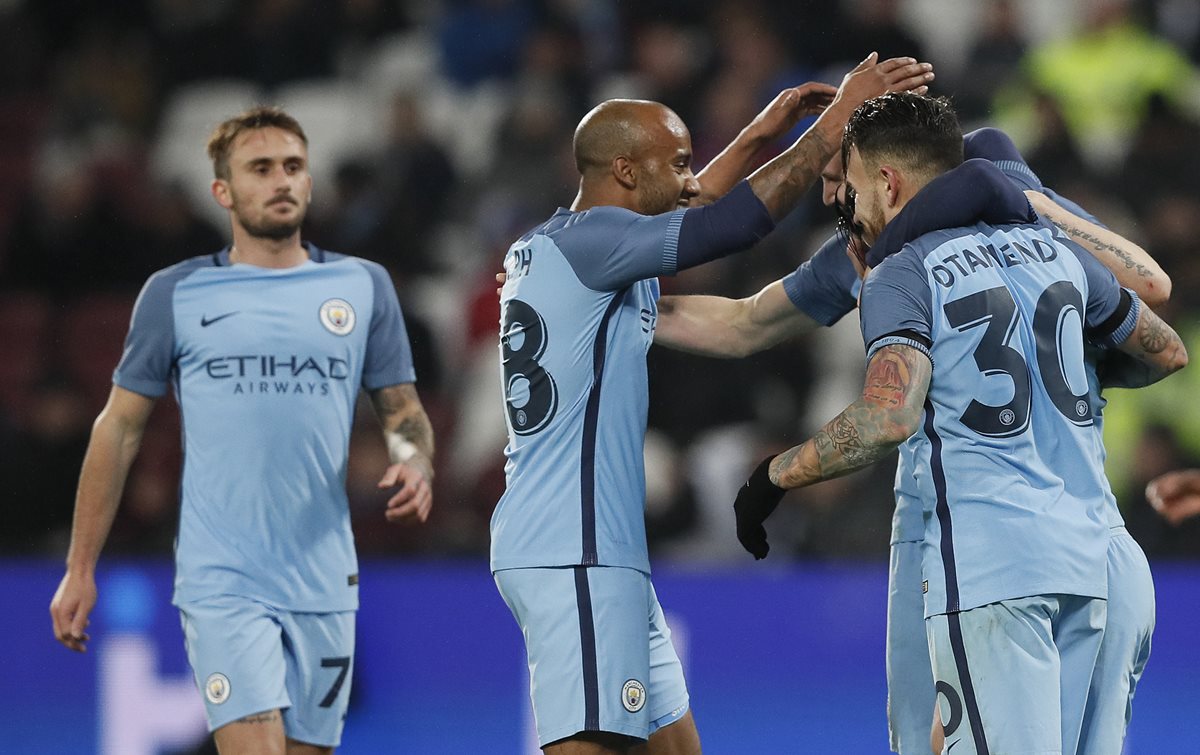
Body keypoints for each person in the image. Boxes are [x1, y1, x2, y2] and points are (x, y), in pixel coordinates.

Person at [655, 124, 1172, 754]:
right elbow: (745, 321)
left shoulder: (900, 267)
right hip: (1072, 539)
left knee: (945, 731)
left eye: (835, 180)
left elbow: (886, 415)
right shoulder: (1030, 249)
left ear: (885, 179)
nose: (828, 200)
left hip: (983, 541)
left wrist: (772, 477)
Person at [491, 54, 935, 754]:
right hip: (573, 549)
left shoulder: (561, 247)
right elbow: (729, 225)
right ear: (626, 173)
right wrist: (832, 126)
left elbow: (696, 205)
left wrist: (763, 131)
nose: (690, 178)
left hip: (594, 549)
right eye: (677, 162)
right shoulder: (601, 247)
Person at [48, 106, 435, 755]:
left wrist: (413, 460)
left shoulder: (364, 286)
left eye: (293, 167)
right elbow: (119, 429)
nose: (281, 180)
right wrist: (79, 565)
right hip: (222, 573)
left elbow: (403, 410)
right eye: (261, 168)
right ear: (223, 191)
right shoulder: (176, 293)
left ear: (309, 183)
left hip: (324, 574)